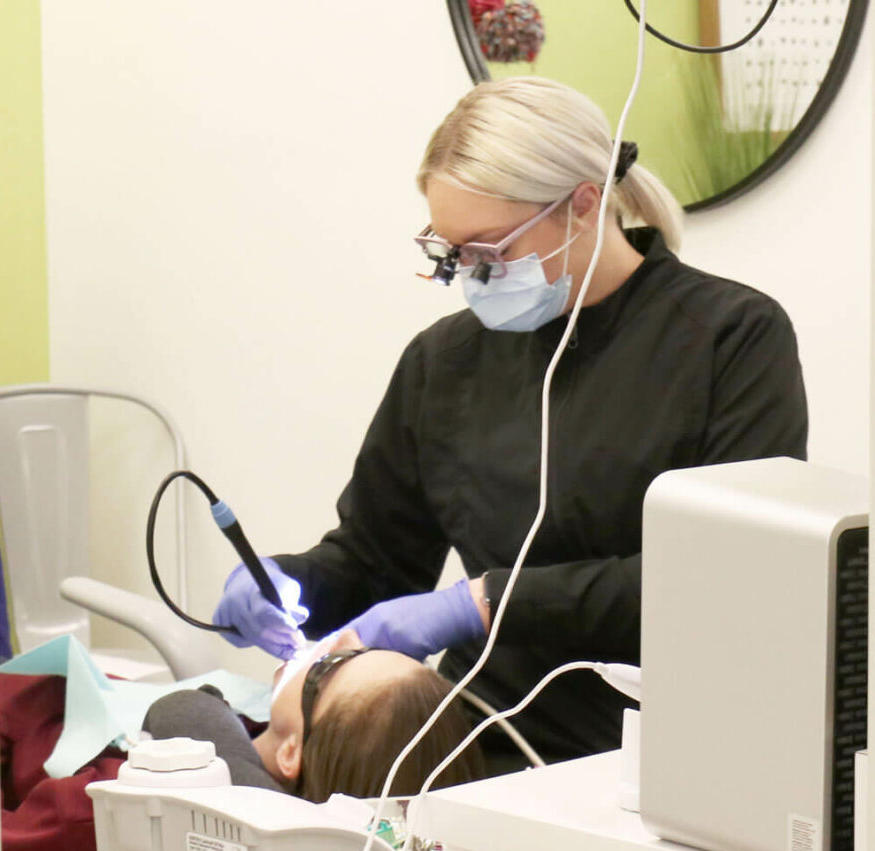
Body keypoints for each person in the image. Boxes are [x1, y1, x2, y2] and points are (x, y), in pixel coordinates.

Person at [213, 76, 808, 770]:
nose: (469, 274)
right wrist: (287, 584)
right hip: (476, 748)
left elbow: (722, 575)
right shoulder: (445, 362)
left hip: (662, 757)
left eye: (488, 250)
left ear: (584, 205)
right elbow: (376, 560)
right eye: (450, 252)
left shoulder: (729, 340)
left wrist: (483, 602)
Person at [0, 632, 483, 851]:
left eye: (335, 665)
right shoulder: (241, 725)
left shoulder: (116, 817)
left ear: (292, 752)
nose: (344, 638)